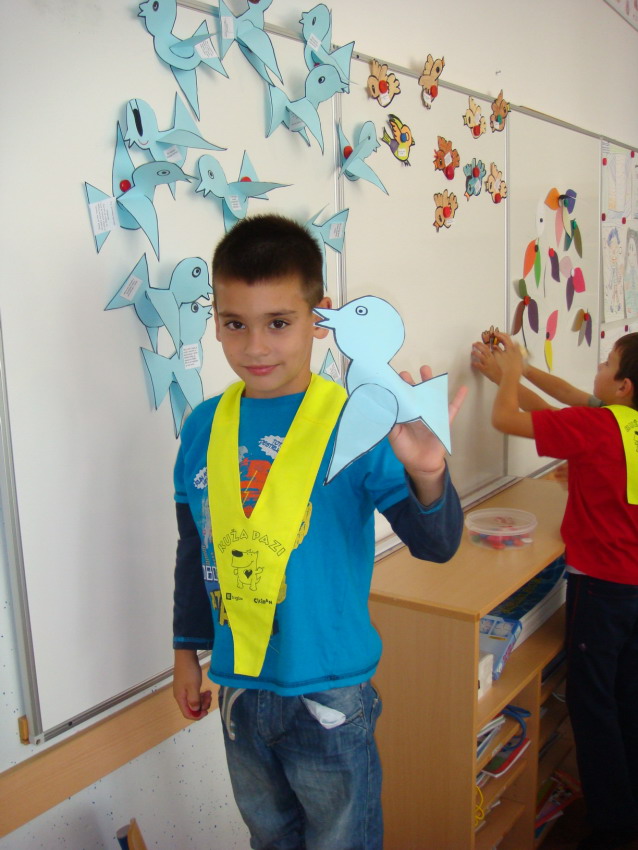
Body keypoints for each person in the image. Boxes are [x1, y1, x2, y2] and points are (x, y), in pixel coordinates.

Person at [171, 214, 466, 850]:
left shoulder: (359, 420)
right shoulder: (201, 428)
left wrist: (428, 473)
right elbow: (196, 548)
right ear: (215, 320)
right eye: (235, 324)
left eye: (278, 323)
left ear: (319, 317)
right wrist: (185, 653)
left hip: (331, 691)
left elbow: (437, 544)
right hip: (239, 687)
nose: (255, 347)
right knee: (269, 839)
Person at [484, 330, 638, 850]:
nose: (597, 369)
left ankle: (614, 822)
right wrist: (516, 370)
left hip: (603, 586)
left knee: (592, 702)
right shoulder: (624, 422)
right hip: (633, 585)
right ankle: (629, 794)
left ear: (624, 385)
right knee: (627, 692)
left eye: (607, 363)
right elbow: (563, 406)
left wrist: (509, 377)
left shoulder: (598, 426)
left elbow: (506, 420)